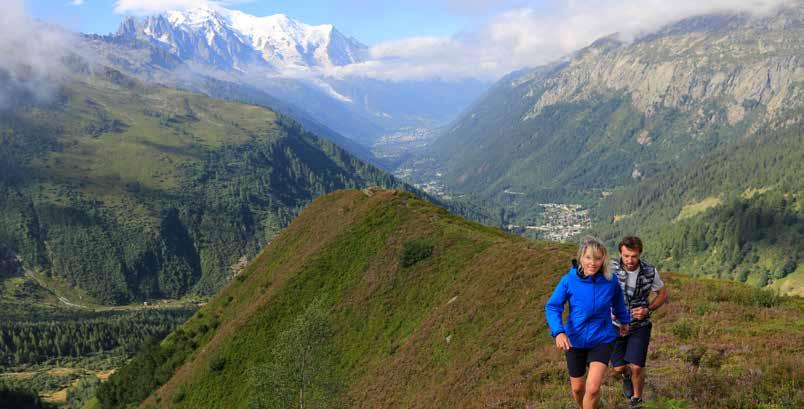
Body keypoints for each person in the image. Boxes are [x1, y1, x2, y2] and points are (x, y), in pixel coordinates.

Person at [545, 236, 631, 409]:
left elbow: (618, 303)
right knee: (578, 390)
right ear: (581, 258)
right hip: (574, 341)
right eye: (588, 257)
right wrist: (559, 331)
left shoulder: (610, 280)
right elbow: (553, 306)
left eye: (598, 258)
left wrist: (624, 322)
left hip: (601, 339)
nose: (592, 263)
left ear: (603, 259)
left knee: (592, 389)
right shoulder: (569, 280)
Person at [610, 236, 668, 408]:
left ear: (640, 254)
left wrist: (648, 310)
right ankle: (625, 376)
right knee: (618, 368)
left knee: (637, 366)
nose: (629, 260)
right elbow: (596, 290)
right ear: (620, 253)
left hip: (639, 326)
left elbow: (662, 294)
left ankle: (637, 399)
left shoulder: (650, 271)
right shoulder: (610, 268)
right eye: (626, 256)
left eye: (633, 256)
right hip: (615, 326)